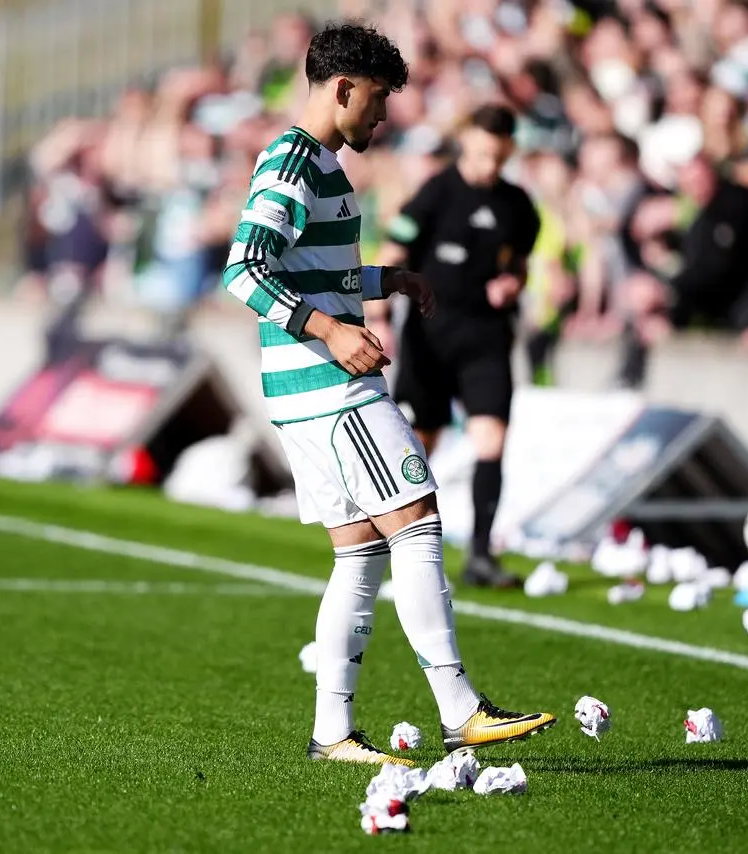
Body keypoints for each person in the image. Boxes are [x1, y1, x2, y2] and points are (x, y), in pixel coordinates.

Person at [222, 23, 555, 767]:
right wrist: (332, 332)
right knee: (418, 517)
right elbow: (244, 269)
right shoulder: (294, 160)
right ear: (342, 89)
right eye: (376, 100)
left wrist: (385, 280)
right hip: (330, 387)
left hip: (304, 393)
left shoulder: (318, 164)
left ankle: (333, 732)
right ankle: (459, 708)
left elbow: (307, 269)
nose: (382, 117)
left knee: (361, 553)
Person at [373, 105, 542, 589]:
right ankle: (395, 549)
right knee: (418, 444)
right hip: (430, 336)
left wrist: (513, 283)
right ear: (467, 140)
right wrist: (378, 314)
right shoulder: (436, 192)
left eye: (500, 157)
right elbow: (394, 251)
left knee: (492, 440)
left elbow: (520, 264)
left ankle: (481, 554)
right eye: (484, 154)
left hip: (486, 338)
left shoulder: (518, 205)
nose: (491, 166)